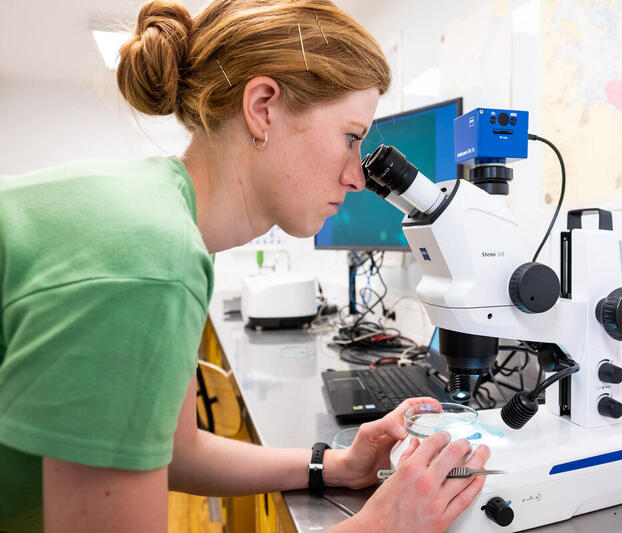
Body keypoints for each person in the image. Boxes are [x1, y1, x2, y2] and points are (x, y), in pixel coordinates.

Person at [0, 1, 491, 532]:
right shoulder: (147, 257)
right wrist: (382, 526)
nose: (357, 176)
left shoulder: (156, 215)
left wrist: (337, 465)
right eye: (351, 137)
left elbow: (177, 449)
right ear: (263, 108)